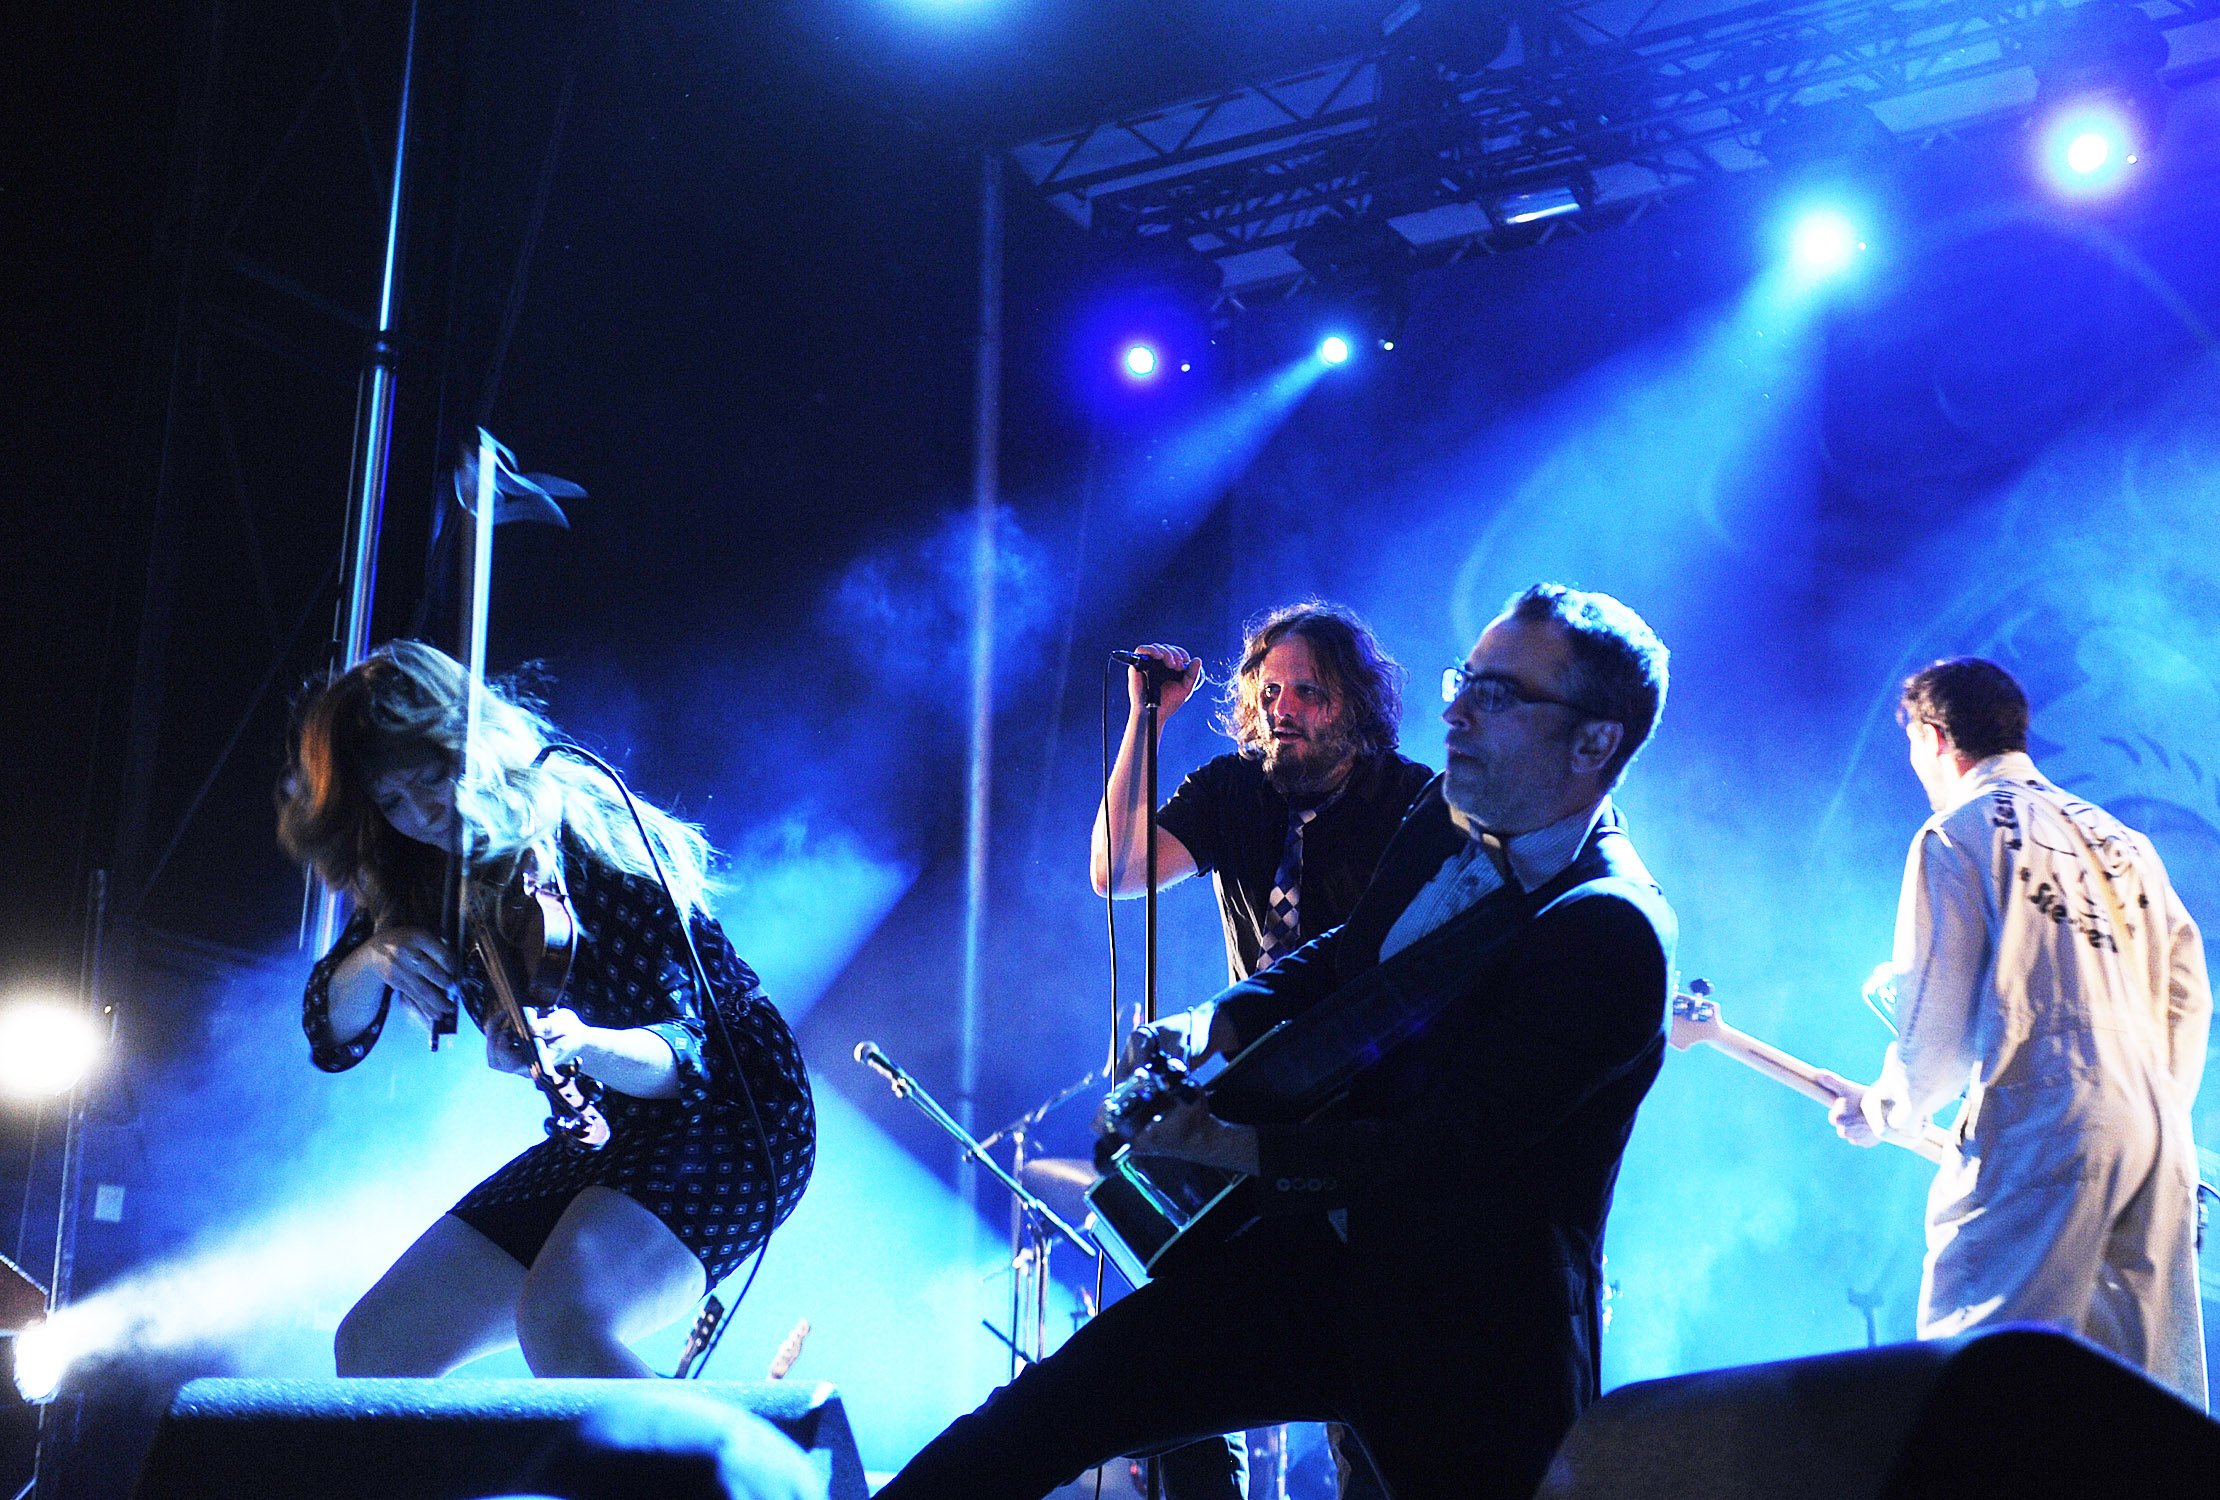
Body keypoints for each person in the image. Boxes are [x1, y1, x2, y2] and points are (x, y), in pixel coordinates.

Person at [883, 583, 1675, 1500]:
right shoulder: (1444, 817)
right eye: (1466, 680)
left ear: (1594, 742)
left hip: (1468, 1328)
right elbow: (1351, 956)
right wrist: (1209, 1022)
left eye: (1499, 694)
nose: (1457, 708)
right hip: (1319, 1262)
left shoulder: (1612, 933)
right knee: (1041, 1417)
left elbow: (1443, 1153)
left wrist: (1241, 1150)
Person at [278, 640, 816, 1378]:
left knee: (563, 1322)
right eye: (393, 802)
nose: (423, 815)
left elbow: (691, 1059)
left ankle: (751, 1480)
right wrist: (374, 960)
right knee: (377, 1347)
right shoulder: (424, 871)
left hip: (734, 1114)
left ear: (470, 744)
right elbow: (330, 1033)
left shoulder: (583, 838)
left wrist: (578, 1044)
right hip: (607, 1135)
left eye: (432, 779)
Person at [1089, 602, 1434, 1499]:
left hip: (1361, 1120)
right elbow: (1117, 870)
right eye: (1269, 690)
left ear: (1353, 704)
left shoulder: (1412, 802)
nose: (1283, 708)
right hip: (1247, 1104)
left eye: (1308, 693)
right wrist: (1145, 721)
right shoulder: (1234, 790)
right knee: (1169, 1359)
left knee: (1364, 1389)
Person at [1821, 658, 2209, 1405]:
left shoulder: (1957, 832)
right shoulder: (2128, 843)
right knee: (2139, 1408)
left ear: (1935, 738)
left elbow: (1931, 1017)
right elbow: (2190, 997)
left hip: (2048, 1118)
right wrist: (2151, 1100)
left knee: (1990, 1379)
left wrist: (1888, 1108)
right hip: (2159, 1137)